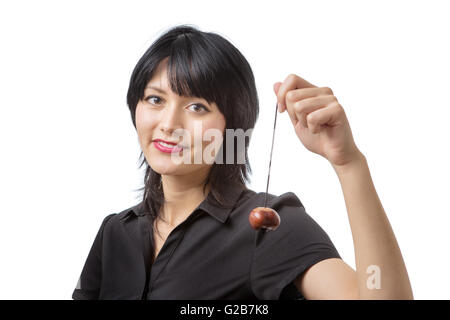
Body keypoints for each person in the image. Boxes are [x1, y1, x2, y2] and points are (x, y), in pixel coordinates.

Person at [72, 25, 413, 300]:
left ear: (232, 127)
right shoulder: (116, 232)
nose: (168, 123)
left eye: (197, 107)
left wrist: (349, 164)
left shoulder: (265, 226)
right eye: (155, 99)